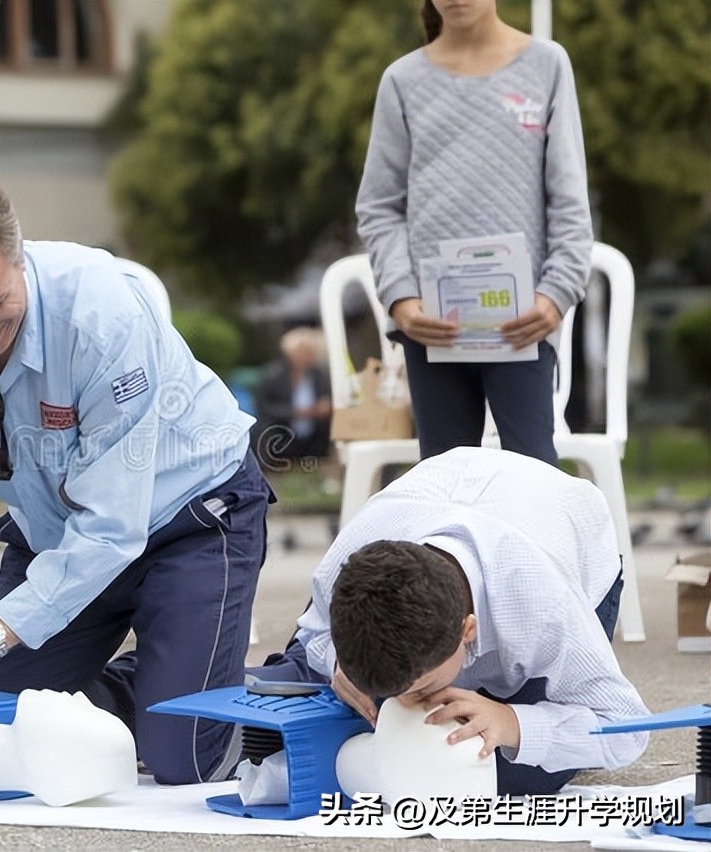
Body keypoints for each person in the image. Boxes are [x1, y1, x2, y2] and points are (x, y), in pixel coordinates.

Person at [0, 172, 274, 785]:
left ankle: (255, 679)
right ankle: (159, 682)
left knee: (186, 760)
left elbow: (112, 525)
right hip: (56, 540)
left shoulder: (103, 311)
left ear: (20, 260)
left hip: (191, 517)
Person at [250, 447, 648, 795]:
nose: (403, 704)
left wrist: (511, 722)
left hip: (572, 545)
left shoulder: (544, 607)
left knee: (494, 772)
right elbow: (316, 631)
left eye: (421, 687)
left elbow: (625, 728)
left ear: (467, 631)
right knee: (321, 704)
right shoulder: (351, 557)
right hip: (442, 497)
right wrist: (336, 661)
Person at [355, 0, 592, 465]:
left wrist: (556, 294)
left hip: (523, 322)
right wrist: (401, 299)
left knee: (533, 473)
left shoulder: (547, 64)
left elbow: (568, 200)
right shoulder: (402, 81)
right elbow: (379, 207)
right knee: (444, 478)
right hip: (432, 327)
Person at [251, 327, 332, 467]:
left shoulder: (320, 376)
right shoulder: (272, 376)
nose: (306, 357)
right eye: (302, 352)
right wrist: (296, 413)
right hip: (280, 440)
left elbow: (328, 398)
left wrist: (324, 406)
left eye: (309, 352)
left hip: (314, 443)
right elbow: (263, 408)